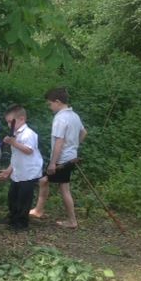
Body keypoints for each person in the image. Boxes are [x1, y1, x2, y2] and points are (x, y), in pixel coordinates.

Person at [30, 87, 87, 229]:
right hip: (70, 158)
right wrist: (74, 147)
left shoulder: (60, 118)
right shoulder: (74, 115)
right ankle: (38, 210)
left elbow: (59, 142)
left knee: (62, 188)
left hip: (62, 160)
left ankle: (72, 221)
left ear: (57, 102)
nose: (49, 107)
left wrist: (53, 163)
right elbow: (84, 133)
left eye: (50, 104)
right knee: (44, 181)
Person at [0, 105, 44, 230]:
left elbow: (28, 150)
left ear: (22, 119)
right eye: (7, 123)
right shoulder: (15, 134)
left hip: (29, 172)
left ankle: (21, 222)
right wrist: (8, 170)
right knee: (13, 196)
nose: (8, 125)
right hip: (18, 172)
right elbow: (16, 155)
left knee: (24, 198)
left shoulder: (29, 134)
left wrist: (13, 143)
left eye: (11, 122)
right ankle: (13, 217)